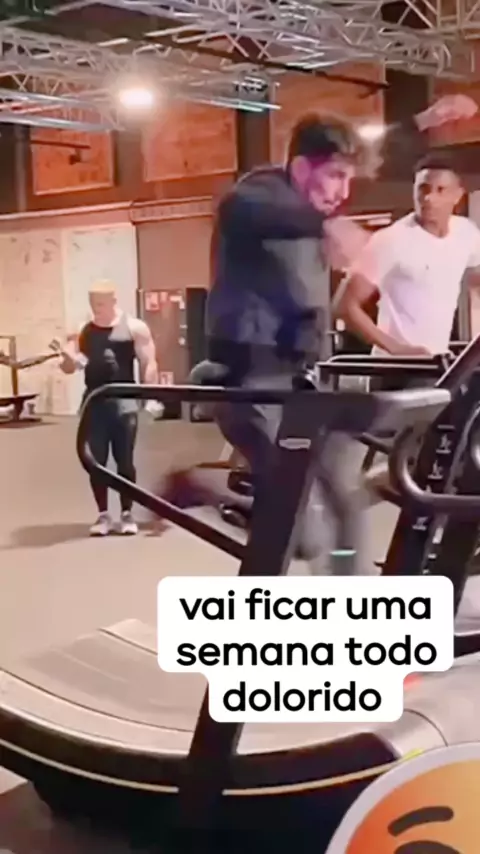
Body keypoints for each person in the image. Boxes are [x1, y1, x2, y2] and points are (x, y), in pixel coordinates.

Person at [159, 95, 478, 574]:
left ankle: (351, 607)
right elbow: (245, 211)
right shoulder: (256, 195)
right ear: (302, 167)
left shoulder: (314, 198)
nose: (343, 192)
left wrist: (426, 119)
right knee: (304, 535)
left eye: (348, 180)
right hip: (249, 384)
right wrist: (323, 225)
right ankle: (201, 486)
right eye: (335, 177)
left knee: (346, 505)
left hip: (306, 383)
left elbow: (377, 147)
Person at [336, 151, 480, 380]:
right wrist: (398, 349)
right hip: (394, 369)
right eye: (423, 189)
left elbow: (476, 279)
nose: (429, 198)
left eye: (440, 190)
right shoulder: (391, 240)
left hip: (438, 366)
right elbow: (345, 306)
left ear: (457, 195)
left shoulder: (466, 233)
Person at [58, 280, 159, 537]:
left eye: (101, 303)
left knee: (124, 459)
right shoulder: (83, 330)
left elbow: (149, 362)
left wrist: (151, 397)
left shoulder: (135, 327)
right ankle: (103, 514)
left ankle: (127, 513)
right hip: (94, 401)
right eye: (93, 304)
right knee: (96, 461)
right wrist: (68, 360)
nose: (97, 308)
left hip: (124, 401)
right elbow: (69, 366)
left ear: (114, 301)